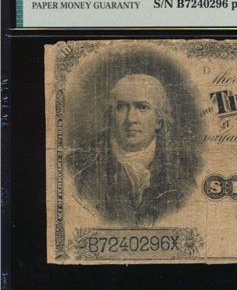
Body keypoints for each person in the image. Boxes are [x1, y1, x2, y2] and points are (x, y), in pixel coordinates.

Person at [69, 74, 194, 225]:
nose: (131, 119)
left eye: (142, 107)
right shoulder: (77, 166)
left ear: (159, 119)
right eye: (122, 107)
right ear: (111, 115)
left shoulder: (187, 167)